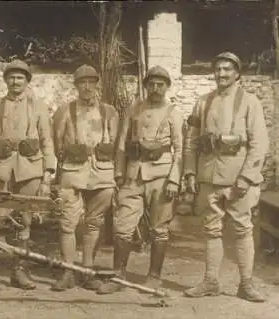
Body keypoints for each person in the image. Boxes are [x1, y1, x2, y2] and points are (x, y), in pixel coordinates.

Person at [183, 52, 268, 302]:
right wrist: (190, 171)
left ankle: (246, 284)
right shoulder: (203, 102)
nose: (221, 74)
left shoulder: (249, 102)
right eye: (218, 69)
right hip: (209, 177)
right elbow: (191, 141)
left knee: (242, 229)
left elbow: (259, 143)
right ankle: (210, 281)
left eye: (227, 69)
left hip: (238, 179)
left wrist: (246, 177)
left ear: (237, 73)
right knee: (211, 230)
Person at [0, 59, 56, 293]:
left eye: (20, 77)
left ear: (27, 81)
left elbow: (47, 142)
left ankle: (20, 270)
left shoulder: (38, 106)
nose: (16, 81)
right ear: (6, 80)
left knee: (23, 221)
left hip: (30, 172)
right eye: (12, 77)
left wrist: (47, 176)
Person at [97, 66, 183, 294]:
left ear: (166, 87)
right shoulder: (134, 109)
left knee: (159, 229)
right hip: (133, 176)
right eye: (151, 84)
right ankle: (118, 276)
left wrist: (174, 179)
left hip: (161, 177)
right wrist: (118, 173)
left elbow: (181, 149)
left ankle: (154, 277)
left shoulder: (173, 112)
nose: (155, 89)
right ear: (145, 86)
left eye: (160, 85)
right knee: (122, 226)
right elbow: (122, 144)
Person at [51, 64, 118, 292]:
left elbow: (117, 145)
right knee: (68, 223)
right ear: (76, 85)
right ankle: (69, 271)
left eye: (91, 82)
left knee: (94, 223)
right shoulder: (64, 111)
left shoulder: (109, 111)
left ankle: (87, 270)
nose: (87, 87)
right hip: (72, 172)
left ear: (97, 84)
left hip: (102, 173)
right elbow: (56, 143)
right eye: (82, 82)